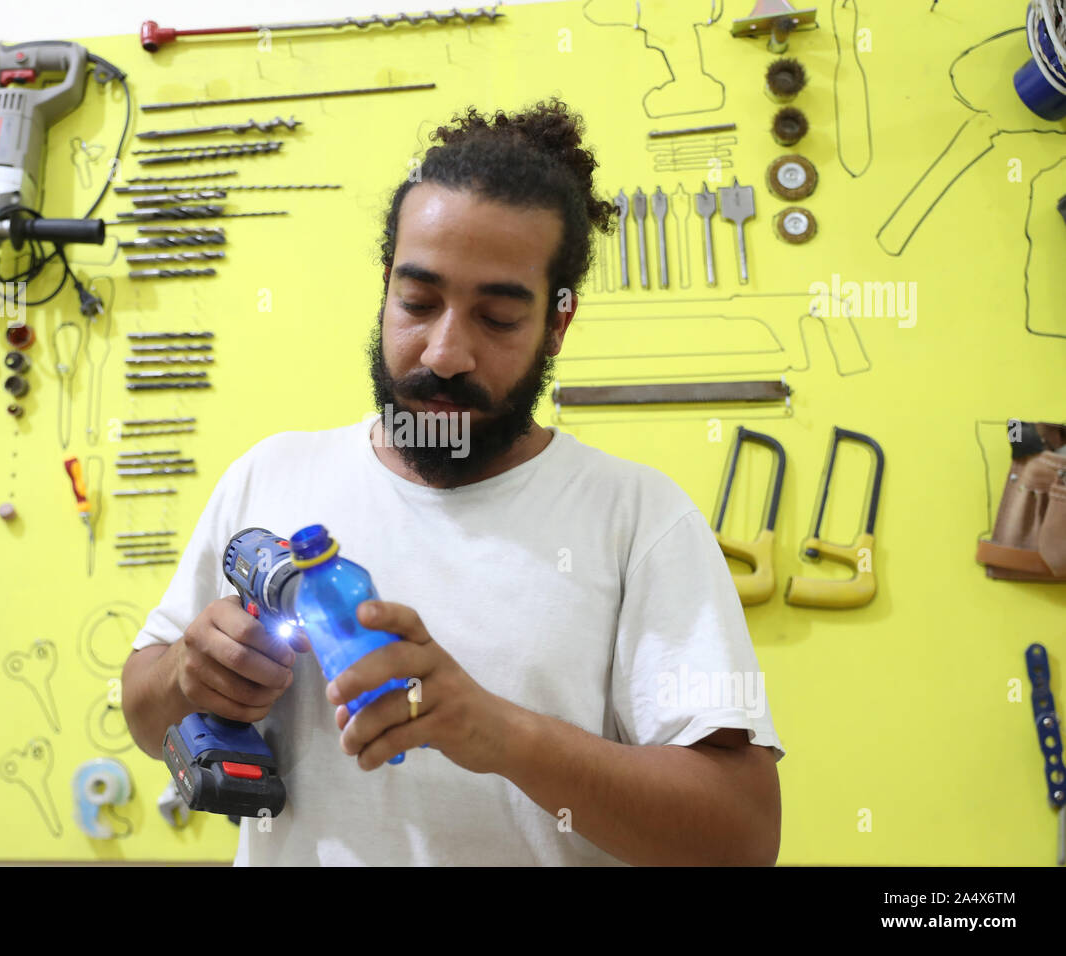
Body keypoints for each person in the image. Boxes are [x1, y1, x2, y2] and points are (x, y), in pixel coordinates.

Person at [122, 98, 784, 866]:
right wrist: (186, 674)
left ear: (557, 325)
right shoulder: (272, 474)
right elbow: (144, 715)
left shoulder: (638, 519)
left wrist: (500, 734)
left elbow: (740, 837)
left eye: (498, 318)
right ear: (384, 287)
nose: (445, 353)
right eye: (418, 302)